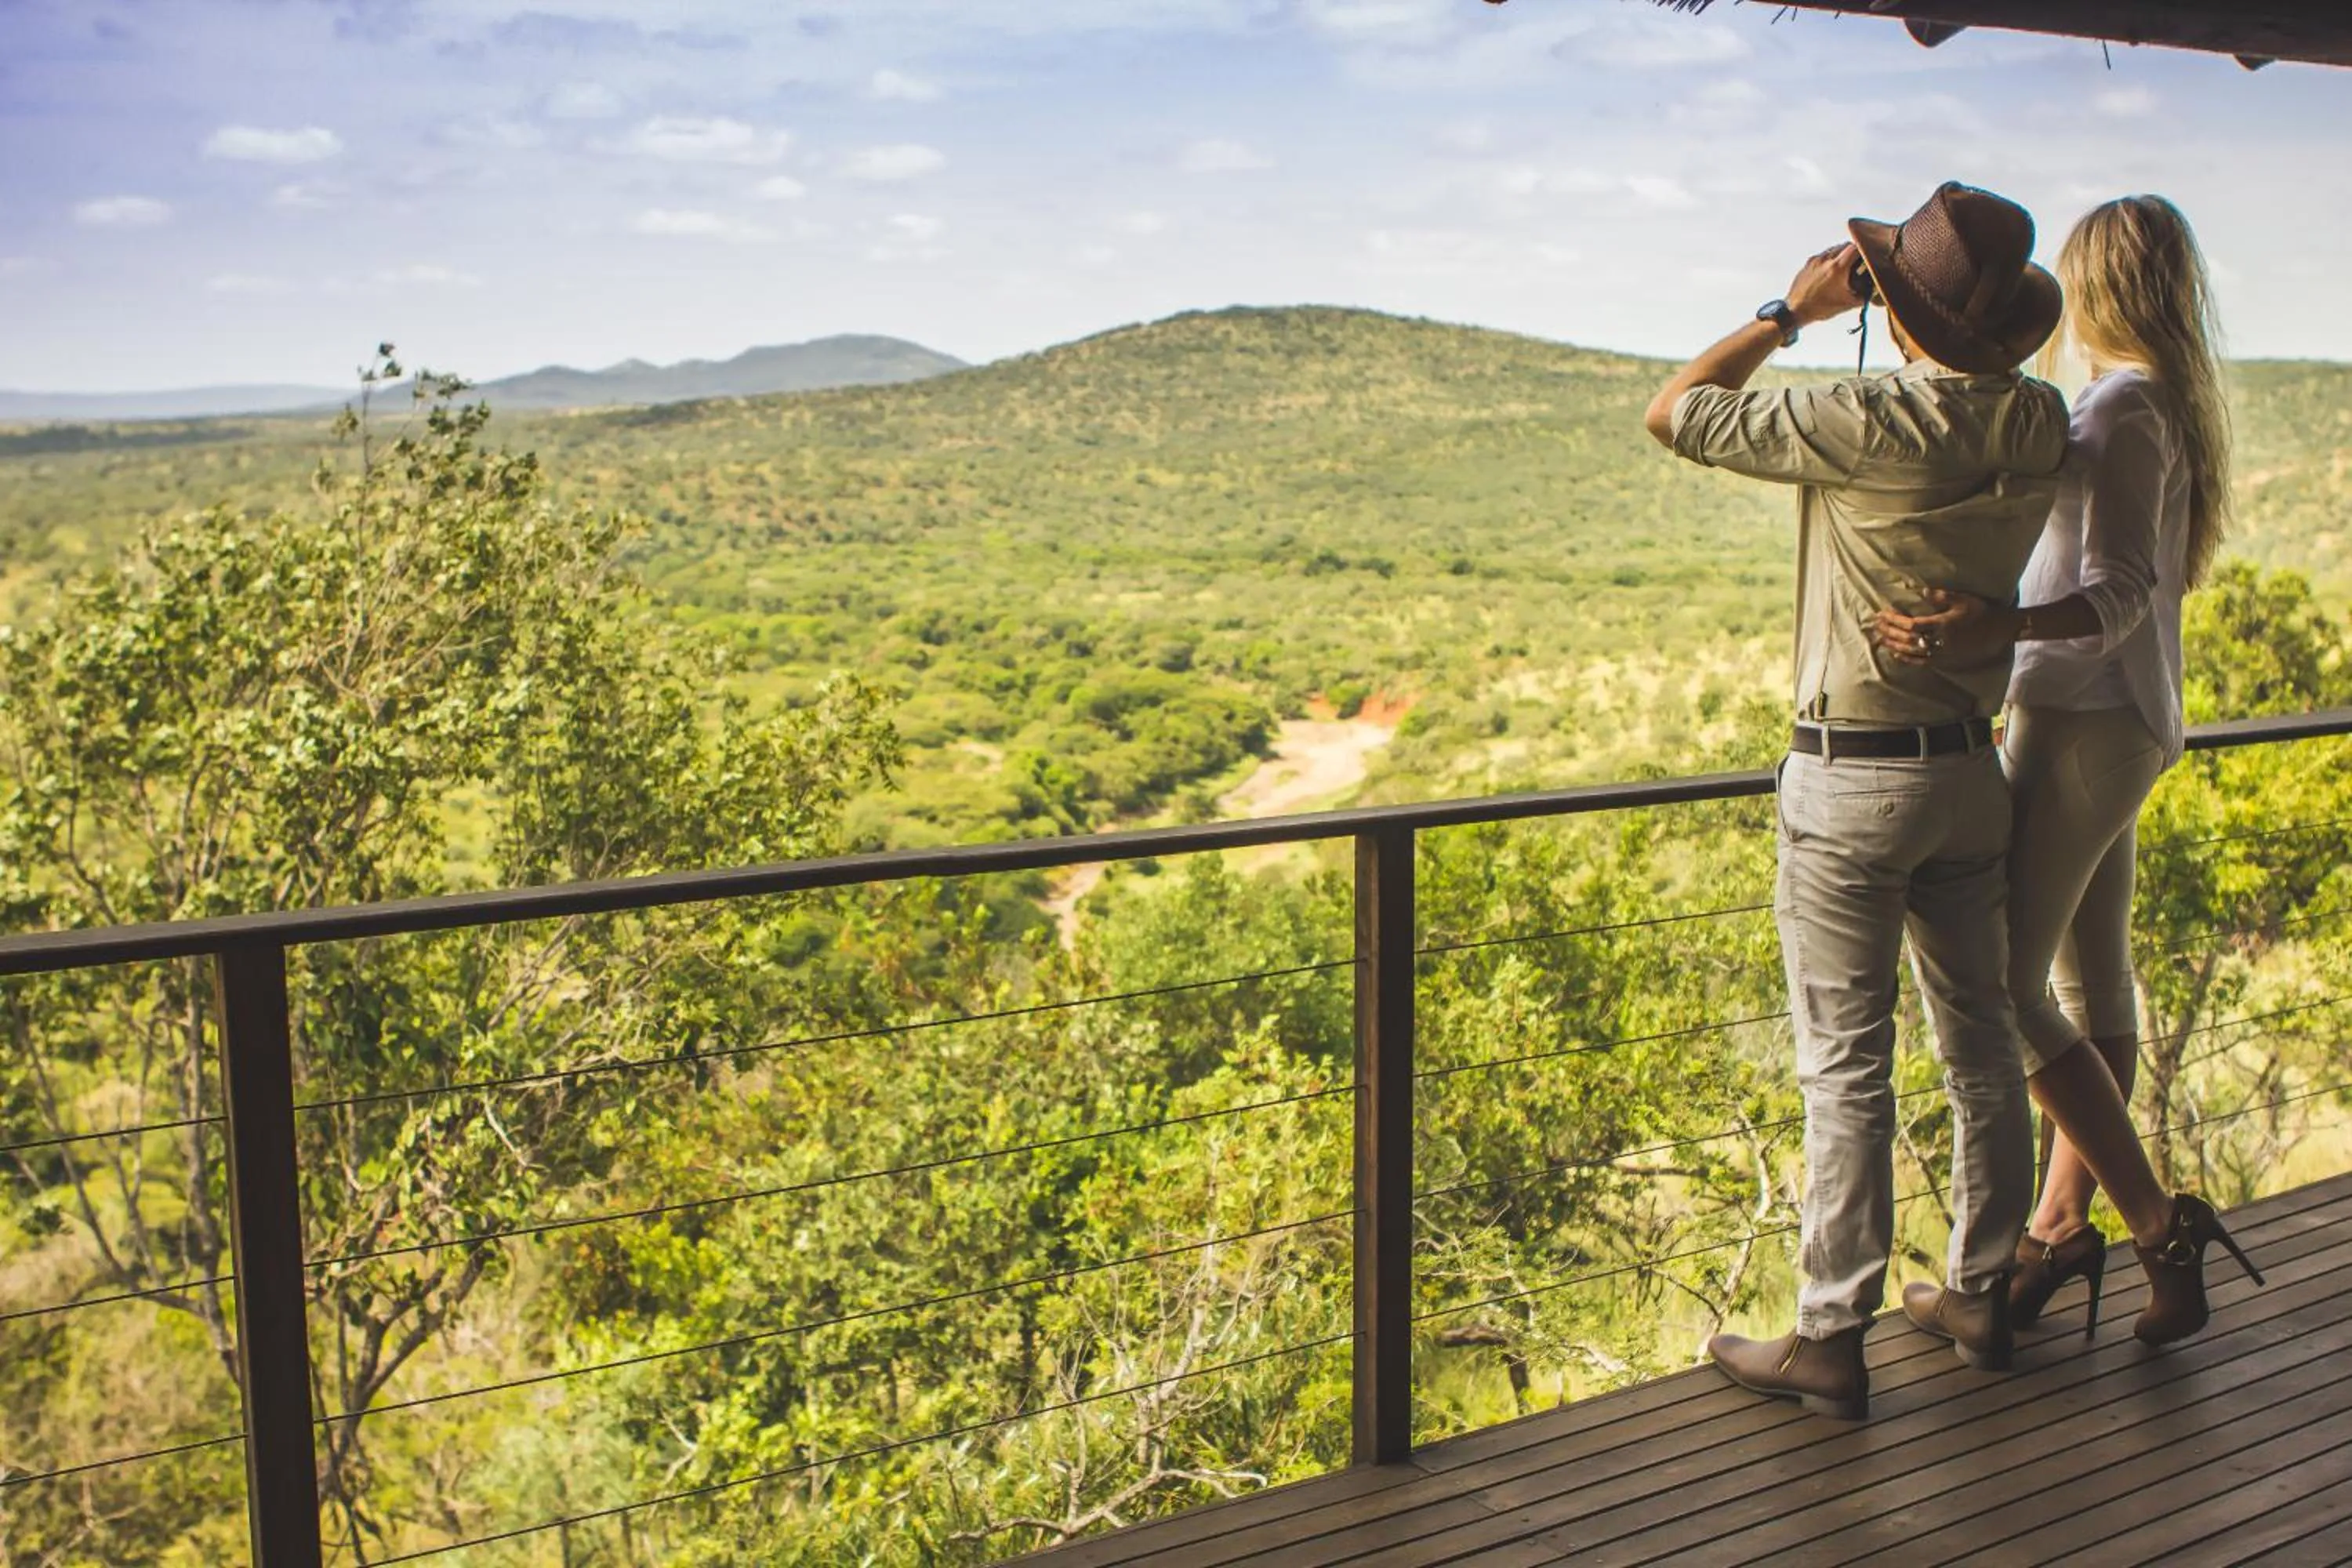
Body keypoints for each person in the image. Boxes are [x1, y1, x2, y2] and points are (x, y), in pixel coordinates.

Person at [1644, 181, 2071, 1419]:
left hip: (1853, 779)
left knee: (1849, 1071)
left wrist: (1792, 309)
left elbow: (1675, 413)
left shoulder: (1867, 414)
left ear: (1893, 303)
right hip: (1968, 774)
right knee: (1982, 1038)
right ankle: (1982, 1288)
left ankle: (1832, 1334)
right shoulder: (2040, 419)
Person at [1870, 194, 2263, 1348]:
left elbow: (2123, 590)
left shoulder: (2126, 406)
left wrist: (2001, 628)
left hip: (2084, 721)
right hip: (2113, 719)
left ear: (2097, 284)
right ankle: (2051, 1234)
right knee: (2094, 985)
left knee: (1998, 984)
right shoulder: (2150, 400)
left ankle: (2152, 1226)